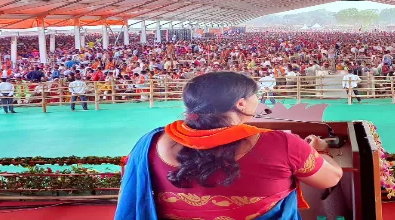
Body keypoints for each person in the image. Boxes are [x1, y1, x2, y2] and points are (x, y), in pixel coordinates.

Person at [116, 72, 343, 220]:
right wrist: (320, 149)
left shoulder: (151, 143)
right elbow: (331, 178)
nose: (258, 101)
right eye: (255, 96)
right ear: (241, 104)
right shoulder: (281, 143)